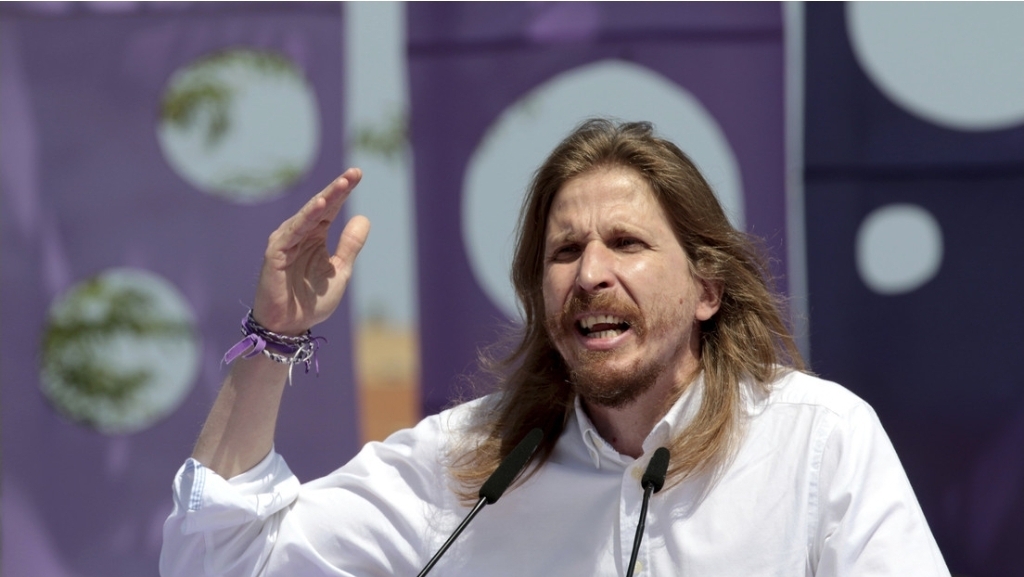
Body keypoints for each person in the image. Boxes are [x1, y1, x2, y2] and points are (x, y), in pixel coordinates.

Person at [160, 119, 949, 576]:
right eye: (565, 251)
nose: (590, 274)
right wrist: (274, 336)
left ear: (707, 289)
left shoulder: (816, 440)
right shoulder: (472, 466)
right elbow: (221, 560)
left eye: (627, 243)